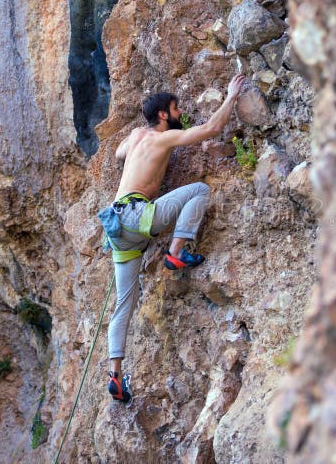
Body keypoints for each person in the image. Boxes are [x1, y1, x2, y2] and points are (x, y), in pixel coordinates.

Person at [102, 73, 246, 403]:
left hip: (116, 226)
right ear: (163, 114)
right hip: (137, 216)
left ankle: (116, 376)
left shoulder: (136, 136)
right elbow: (211, 128)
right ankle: (176, 252)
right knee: (200, 191)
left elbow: (119, 154)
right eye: (176, 109)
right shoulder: (163, 138)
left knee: (124, 303)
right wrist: (231, 95)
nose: (180, 113)